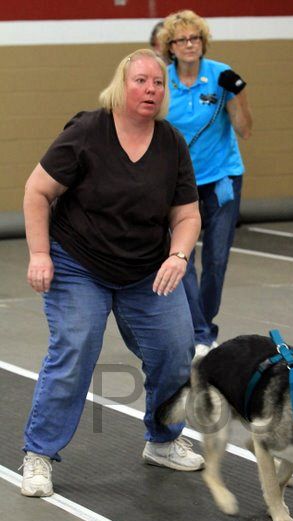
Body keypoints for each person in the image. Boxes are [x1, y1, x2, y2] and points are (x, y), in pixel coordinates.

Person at [21, 49, 204, 498]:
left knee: (176, 349)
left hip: (145, 269)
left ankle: (162, 441)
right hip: (77, 262)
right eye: (141, 81)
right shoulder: (88, 131)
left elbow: (187, 215)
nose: (151, 90)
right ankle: (38, 455)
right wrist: (39, 254)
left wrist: (178, 257)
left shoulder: (171, 142)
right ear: (122, 86)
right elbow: (37, 191)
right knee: (77, 347)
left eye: (158, 84)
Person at [159, 10, 252, 357]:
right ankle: (199, 331)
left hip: (222, 179)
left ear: (202, 43)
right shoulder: (162, 80)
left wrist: (238, 94)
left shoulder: (220, 75)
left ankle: (203, 324)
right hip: (178, 185)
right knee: (182, 258)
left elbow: (244, 129)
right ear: (171, 46)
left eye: (194, 38)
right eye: (181, 39)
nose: (189, 45)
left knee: (216, 260)